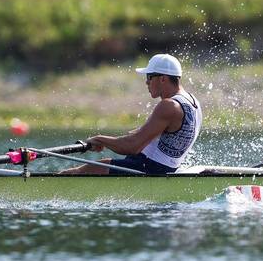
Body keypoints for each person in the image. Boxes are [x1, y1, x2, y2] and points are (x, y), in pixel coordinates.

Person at [61, 53, 202, 175]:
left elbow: (132, 147)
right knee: (88, 168)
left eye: (149, 77)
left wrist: (100, 140)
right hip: (159, 167)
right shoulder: (193, 101)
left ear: (163, 79)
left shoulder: (168, 106)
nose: (146, 82)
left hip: (148, 168)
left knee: (77, 172)